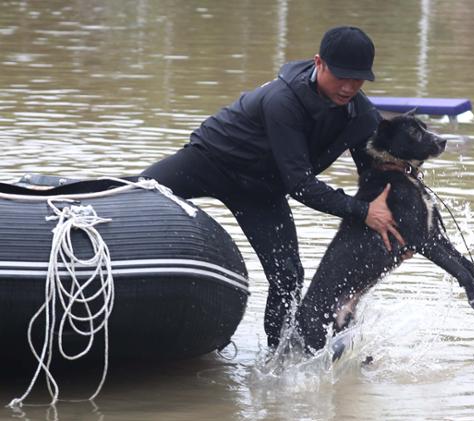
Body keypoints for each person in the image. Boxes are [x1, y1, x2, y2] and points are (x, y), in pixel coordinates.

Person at [141, 26, 405, 349]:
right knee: (140, 193)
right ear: (319, 63)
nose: (349, 86)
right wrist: (363, 211)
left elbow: (374, 185)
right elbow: (300, 185)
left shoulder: (362, 116)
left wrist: (395, 225)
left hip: (262, 190)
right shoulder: (284, 101)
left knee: (289, 276)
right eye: (341, 76)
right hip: (210, 161)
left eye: (359, 79)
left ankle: (278, 355)